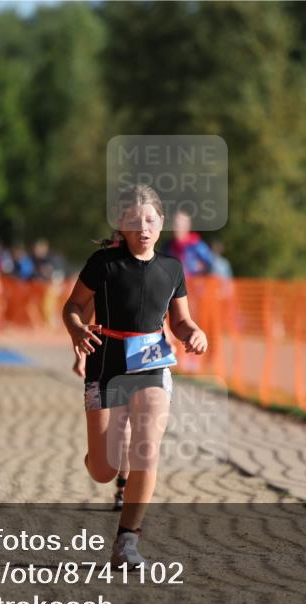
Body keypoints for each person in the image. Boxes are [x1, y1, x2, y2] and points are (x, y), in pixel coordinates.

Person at [62, 184, 208, 568]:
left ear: (161, 224)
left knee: (147, 446)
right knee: (103, 469)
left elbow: (180, 320)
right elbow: (73, 306)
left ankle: (127, 542)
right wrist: (77, 330)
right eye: (134, 220)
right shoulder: (103, 264)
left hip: (151, 362)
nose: (143, 227)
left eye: (150, 219)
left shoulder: (172, 269)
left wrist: (194, 332)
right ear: (122, 227)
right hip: (106, 363)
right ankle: (100, 458)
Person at [163, 209, 214, 276]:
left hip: (195, 284)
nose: (175, 229)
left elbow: (210, 265)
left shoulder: (197, 245)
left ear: (187, 226)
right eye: (174, 225)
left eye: (179, 226)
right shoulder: (167, 247)